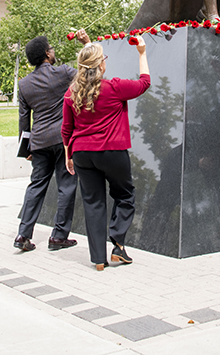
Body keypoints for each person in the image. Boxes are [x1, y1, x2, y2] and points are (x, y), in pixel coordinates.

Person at [62, 41, 150, 271]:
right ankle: (118, 244)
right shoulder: (114, 87)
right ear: (101, 65)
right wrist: (142, 53)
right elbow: (144, 83)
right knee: (124, 195)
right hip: (112, 151)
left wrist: (68, 154)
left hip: (82, 153)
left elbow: (66, 129)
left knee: (93, 203)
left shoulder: (71, 94)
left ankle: (99, 259)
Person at [14, 29, 91, 252]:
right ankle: (58, 236)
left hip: (38, 143)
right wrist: (86, 44)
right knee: (66, 185)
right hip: (63, 140)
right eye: (51, 49)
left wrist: (25, 149)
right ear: (47, 54)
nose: (53, 51)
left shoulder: (24, 85)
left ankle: (23, 234)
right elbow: (87, 73)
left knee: (36, 186)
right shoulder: (63, 73)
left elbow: (23, 121)